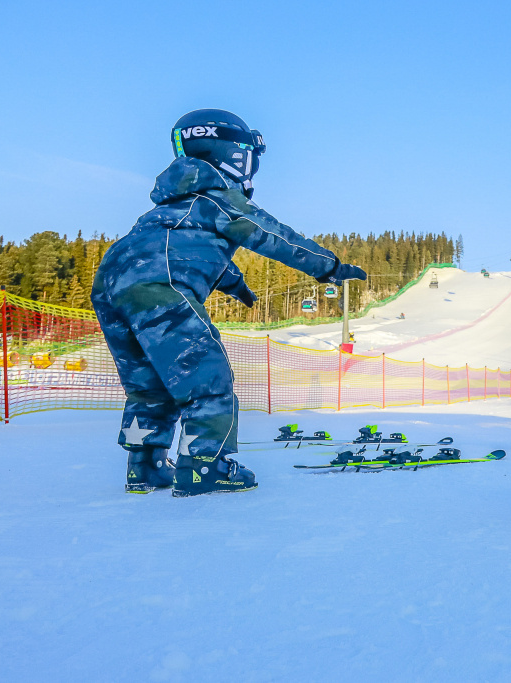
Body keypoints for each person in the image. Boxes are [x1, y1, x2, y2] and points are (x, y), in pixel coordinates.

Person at [91, 109, 367, 496]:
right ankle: (205, 466)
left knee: (149, 387)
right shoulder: (217, 196)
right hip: (160, 284)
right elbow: (271, 234)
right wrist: (329, 267)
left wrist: (235, 283)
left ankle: (145, 466)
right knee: (206, 377)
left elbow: (185, 250)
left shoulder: (168, 209)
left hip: (110, 282)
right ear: (231, 154)